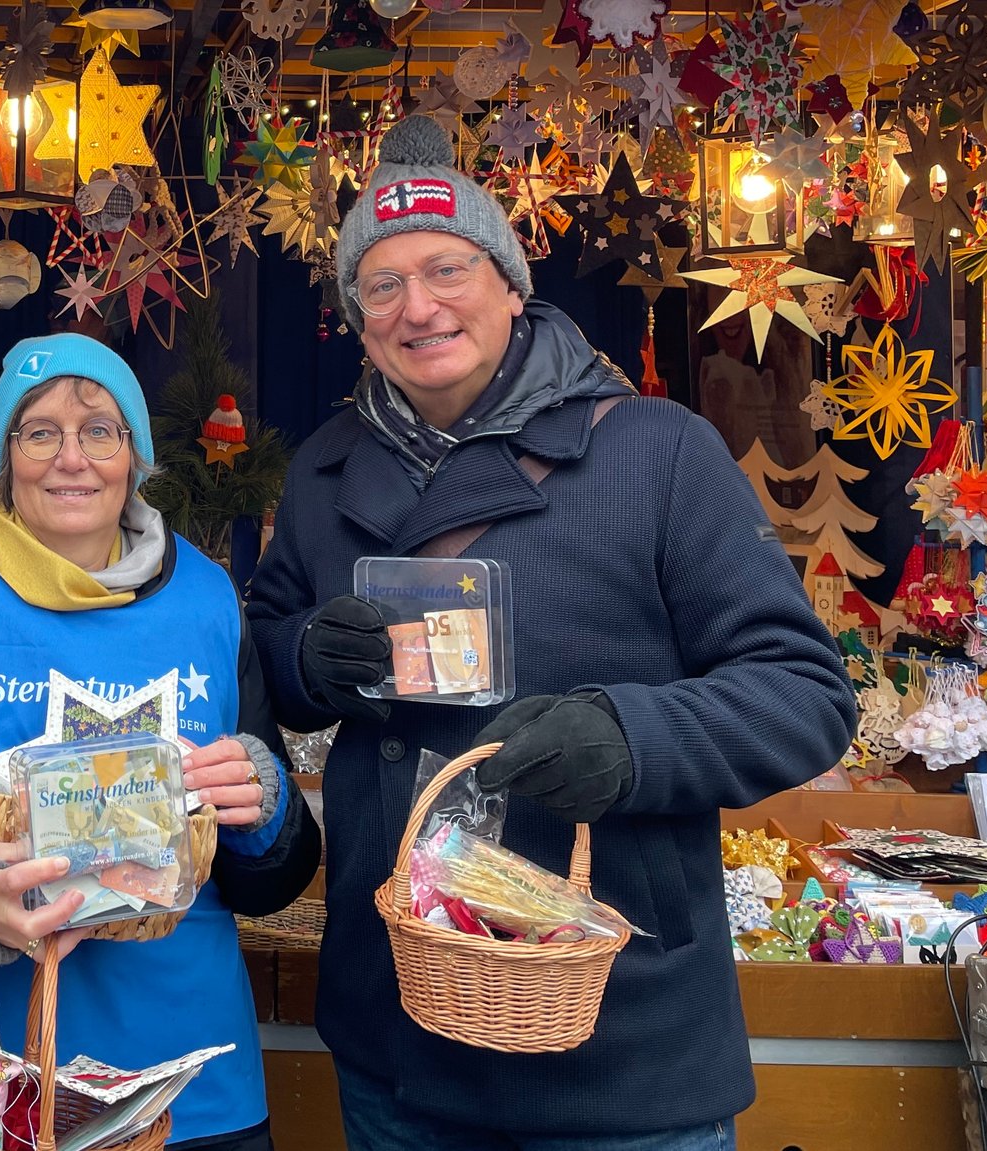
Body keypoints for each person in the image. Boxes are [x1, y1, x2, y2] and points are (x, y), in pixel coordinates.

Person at [245, 116, 855, 1149]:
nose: (416, 306)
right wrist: (306, 654)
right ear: (355, 319)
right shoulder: (323, 467)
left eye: (445, 268)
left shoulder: (657, 452)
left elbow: (803, 692)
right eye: (379, 286)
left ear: (510, 282)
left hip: (617, 1030)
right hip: (400, 1027)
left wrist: (628, 738)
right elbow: (261, 648)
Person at [0, 333, 321, 1151]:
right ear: (5, 458)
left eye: (100, 431)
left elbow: (269, 874)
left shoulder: (208, 595)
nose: (71, 458)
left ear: (135, 456)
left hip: (183, 1090)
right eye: (39, 431)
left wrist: (267, 806)